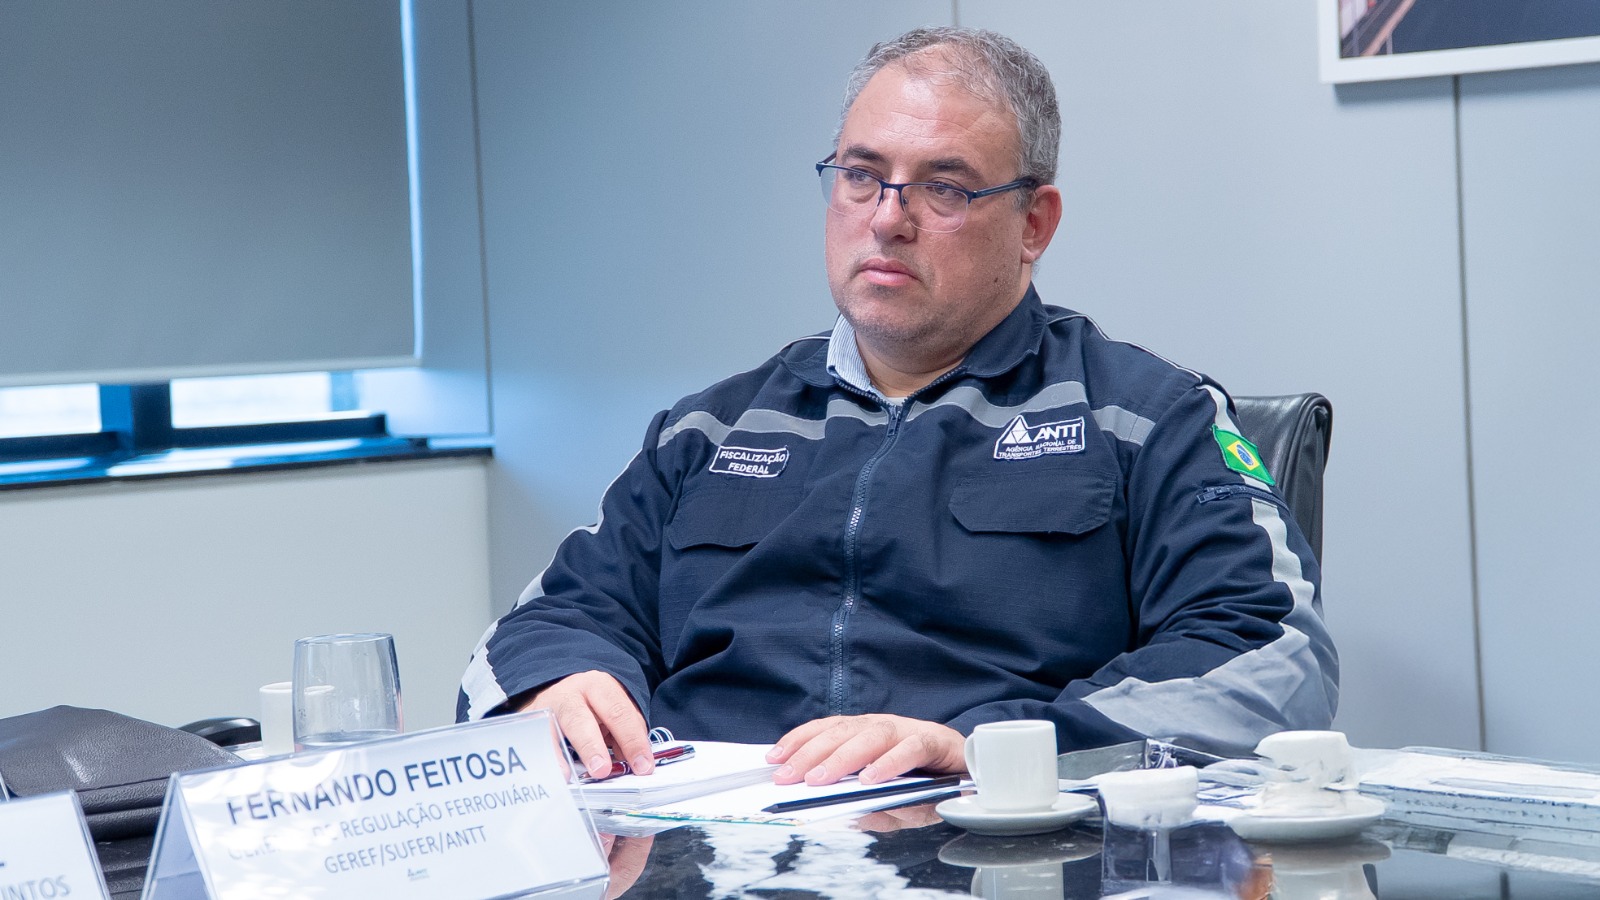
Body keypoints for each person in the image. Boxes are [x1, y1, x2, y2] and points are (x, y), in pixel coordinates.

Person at [458, 26, 1337, 789]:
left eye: (944, 188)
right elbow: (543, 624)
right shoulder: (710, 431)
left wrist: (986, 750)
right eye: (861, 175)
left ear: (1034, 225)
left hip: (986, 847)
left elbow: (1272, 656)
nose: (887, 218)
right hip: (704, 845)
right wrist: (556, 682)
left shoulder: (1147, 418)